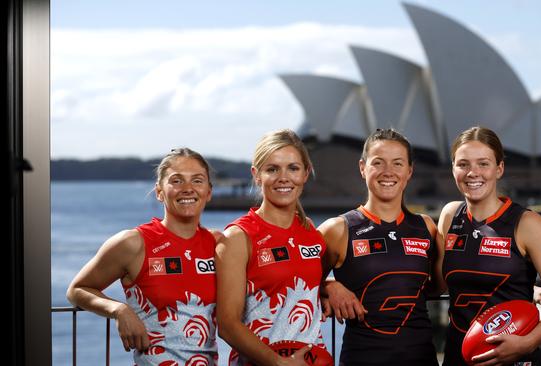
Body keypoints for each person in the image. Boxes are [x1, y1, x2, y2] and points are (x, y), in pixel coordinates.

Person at [438, 126, 541, 365]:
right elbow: (436, 284)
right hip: (457, 357)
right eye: (463, 164)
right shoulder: (450, 215)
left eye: (483, 163)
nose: (473, 172)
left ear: (499, 168)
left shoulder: (526, 223)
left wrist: (528, 342)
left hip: (511, 358)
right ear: (453, 169)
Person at [67, 148, 220, 365]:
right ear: (159, 192)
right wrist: (119, 309)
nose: (187, 189)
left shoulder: (217, 244)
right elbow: (77, 290)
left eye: (197, 181)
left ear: (209, 192)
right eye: (176, 181)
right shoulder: (133, 242)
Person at [318, 128, 445, 366]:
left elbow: (438, 287)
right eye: (378, 162)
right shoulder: (337, 229)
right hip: (362, 358)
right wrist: (328, 285)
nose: (388, 172)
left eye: (397, 164)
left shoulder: (426, 227)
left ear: (409, 171)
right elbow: (296, 280)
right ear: (362, 168)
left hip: (422, 358)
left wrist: (531, 290)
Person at [215, 129, 327, 366]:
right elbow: (227, 325)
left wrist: (330, 286)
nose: (283, 177)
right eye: (272, 169)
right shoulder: (238, 236)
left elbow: (300, 280)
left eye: (293, 168)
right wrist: (276, 362)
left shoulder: (311, 233)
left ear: (306, 173)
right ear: (257, 175)